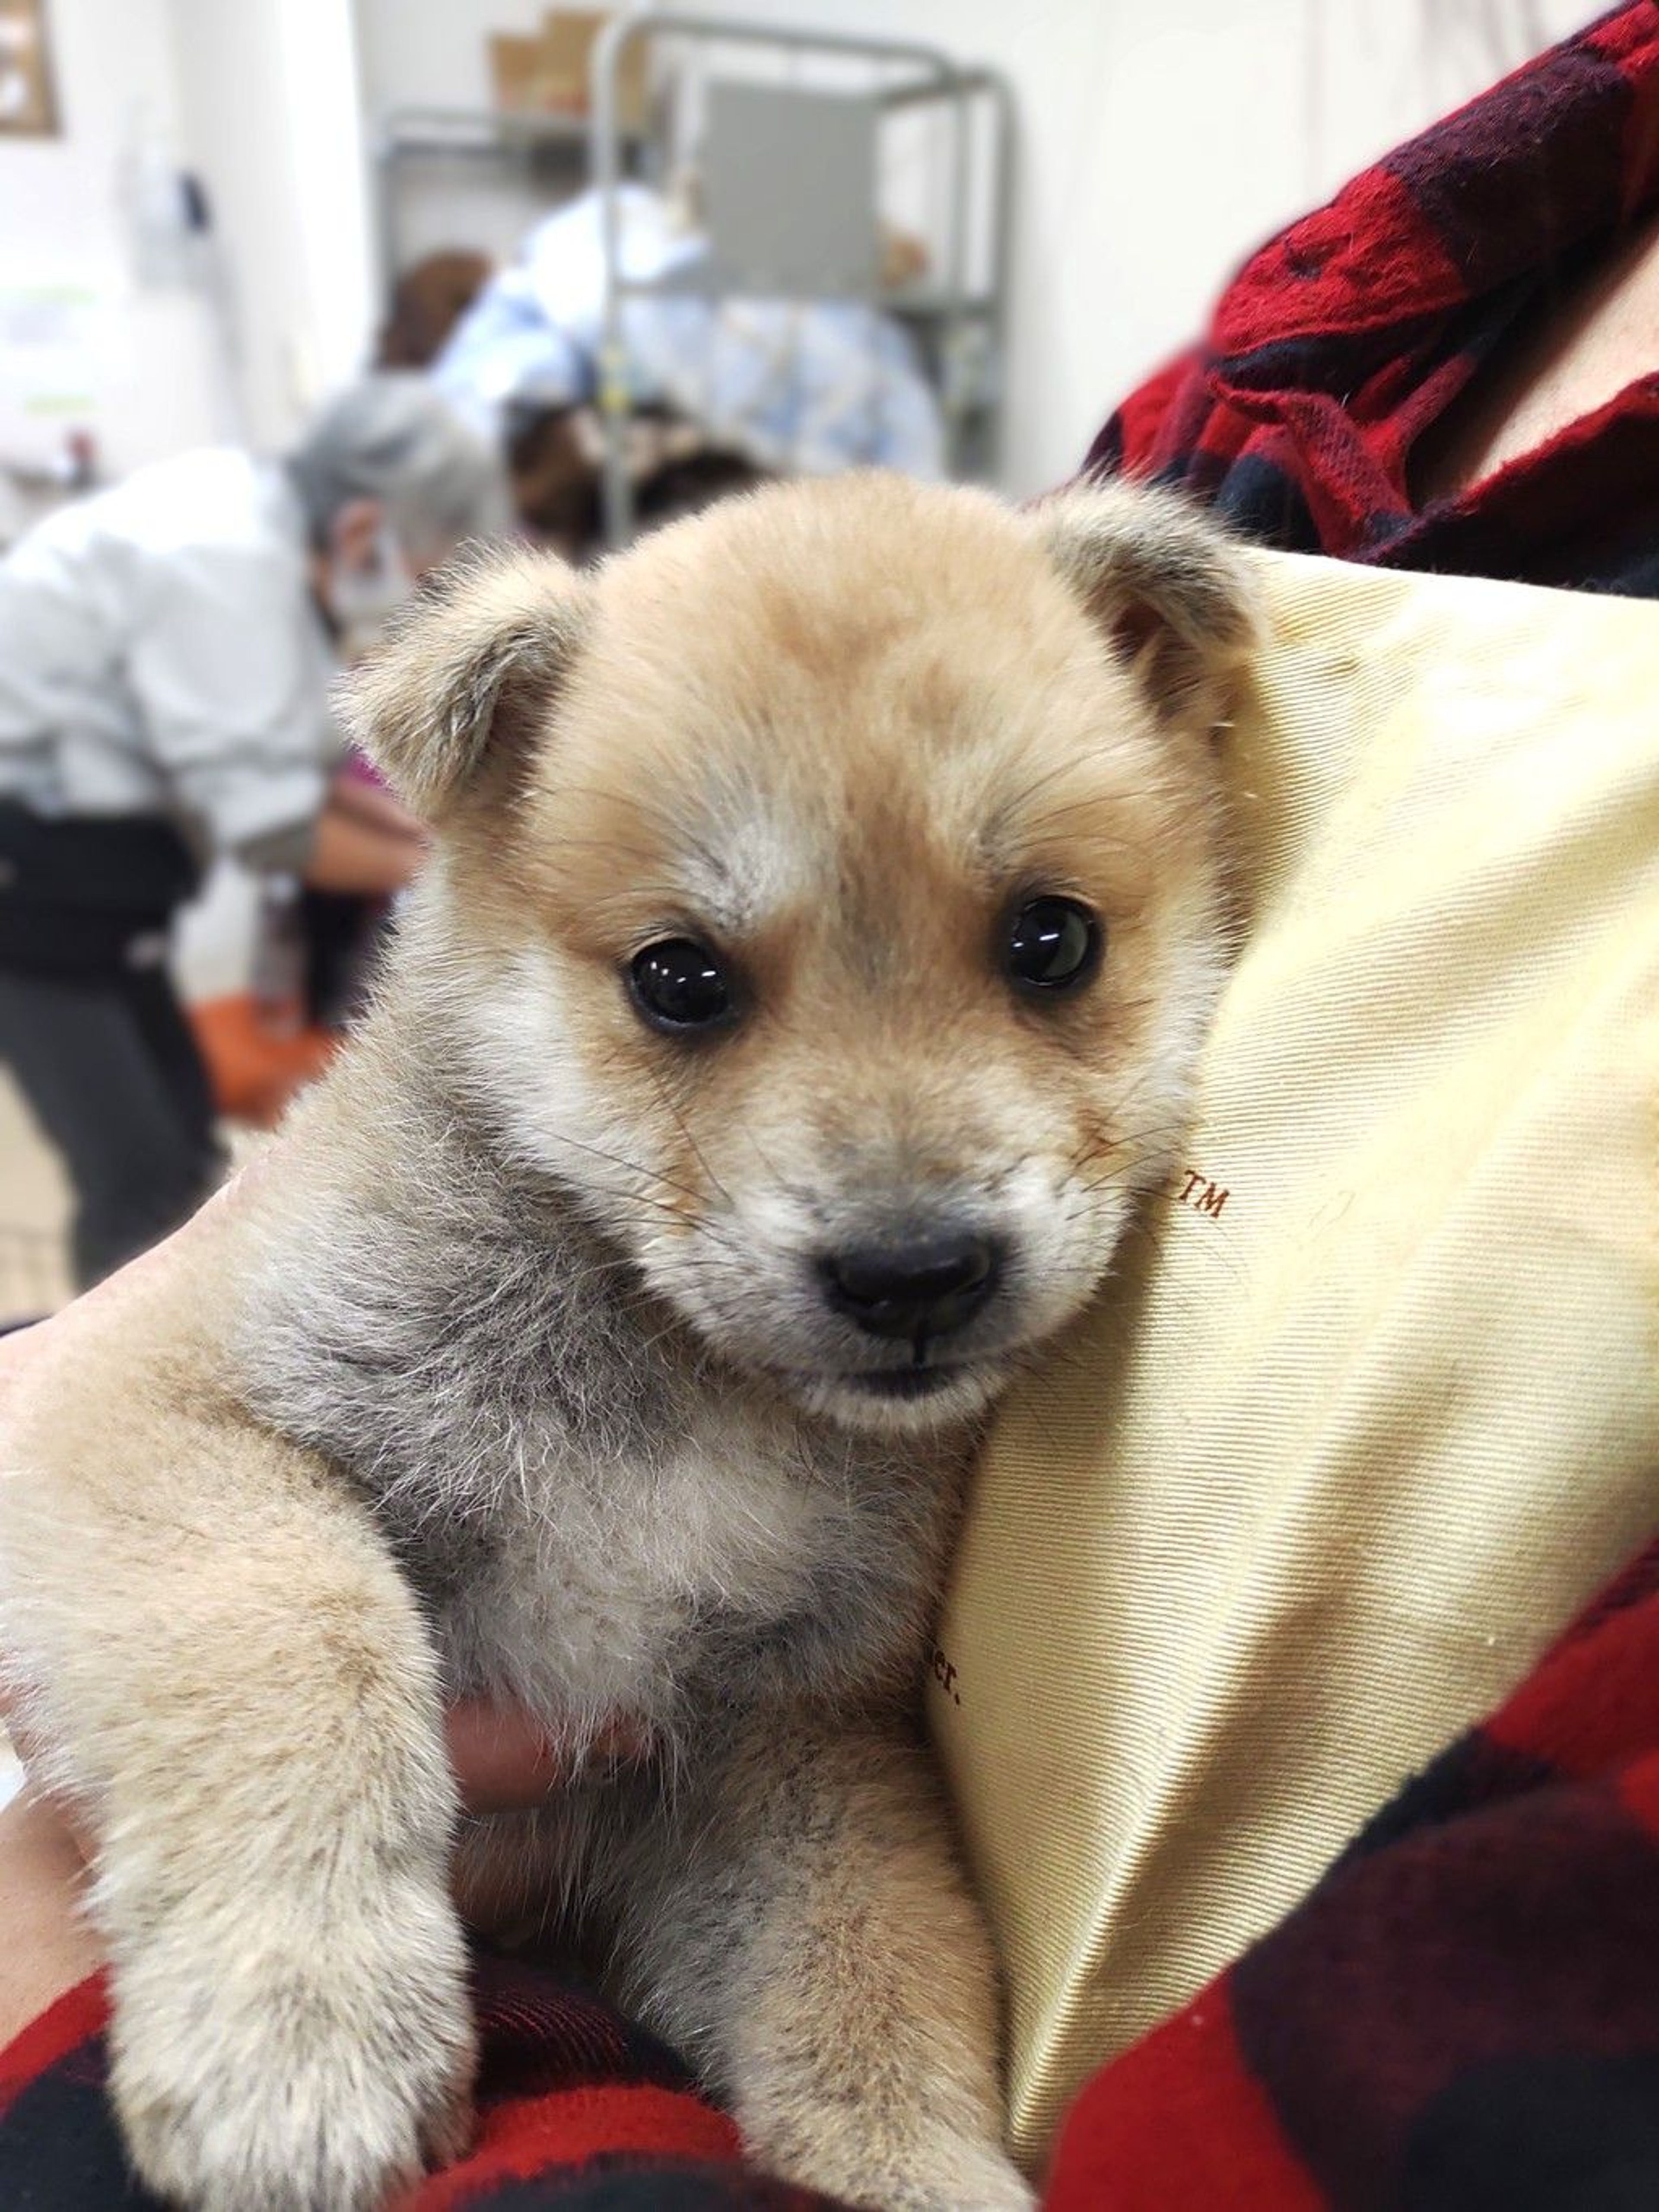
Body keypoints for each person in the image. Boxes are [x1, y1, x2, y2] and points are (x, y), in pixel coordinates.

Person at [0, 9, 1656, 2208]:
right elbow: (122, 1442)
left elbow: (779, 1770)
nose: (895, 1189)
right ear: (485, 851)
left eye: (1042, 948)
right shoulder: (1386, 318)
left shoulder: (1167, 588)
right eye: (689, 988)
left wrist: (896, 2130)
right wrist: (266, 1843)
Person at [0, 374, 511, 1288]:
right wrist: (478, 876)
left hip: (120, 893)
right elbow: (279, 828)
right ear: (364, 531)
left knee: (185, 1143)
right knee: (137, 1168)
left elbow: (305, 770)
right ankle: (96, 1406)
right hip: (33, 886)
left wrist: (442, 836)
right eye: (425, 578)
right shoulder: (219, 564)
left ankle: (153, 1334)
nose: (414, 603)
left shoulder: (272, 538)